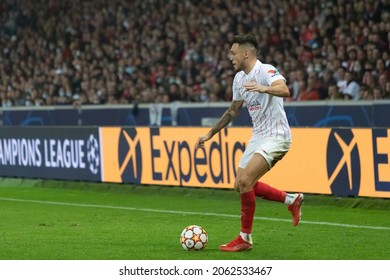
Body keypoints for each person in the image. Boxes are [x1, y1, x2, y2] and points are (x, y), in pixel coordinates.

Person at [195, 34, 304, 252]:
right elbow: (233, 110)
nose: (230, 57)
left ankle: (245, 238)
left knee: (245, 181)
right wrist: (210, 134)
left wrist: (264, 88)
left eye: (233, 53)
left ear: (246, 53)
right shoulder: (239, 79)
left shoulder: (265, 71)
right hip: (258, 137)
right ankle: (291, 199)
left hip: (277, 136)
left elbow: (284, 90)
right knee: (241, 185)